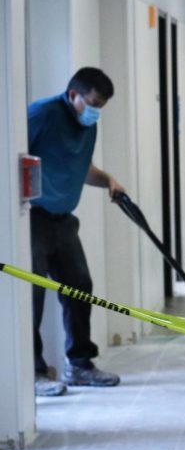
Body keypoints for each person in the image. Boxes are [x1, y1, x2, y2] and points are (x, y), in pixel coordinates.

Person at [28, 67, 126, 397]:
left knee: (80, 285)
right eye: (94, 102)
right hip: (32, 219)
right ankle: (34, 371)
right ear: (73, 95)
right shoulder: (41, 114)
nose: (97, 111)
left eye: (102, 106)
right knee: (33, 294)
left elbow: (81, 168)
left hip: (63, 220)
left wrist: (109, 180)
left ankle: (80, 365)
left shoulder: (88, 124)